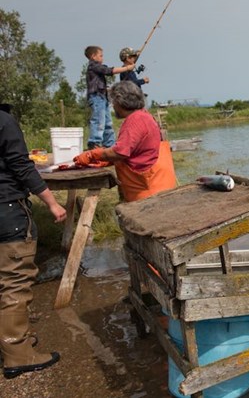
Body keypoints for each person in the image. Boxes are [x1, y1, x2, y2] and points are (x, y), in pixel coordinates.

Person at [0, 103, 66, 379]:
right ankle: (18, 354)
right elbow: (21, 166)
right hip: (7, 210)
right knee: (14, 281)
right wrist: (52, 203)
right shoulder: (3, 120)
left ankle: (11, 338)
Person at [72, 81, 176, 202]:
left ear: (120, 101)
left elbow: (120, 152)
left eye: (113, 102)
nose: (113, 106)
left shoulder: (135, 120)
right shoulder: (145, 115)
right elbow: (137, 152)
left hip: (148, 193)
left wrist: (92, 154)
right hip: (161, 187)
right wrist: (105, 160)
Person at [84, 45, 136, 150]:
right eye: (100, 56)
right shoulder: (94, 66)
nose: (102, 58)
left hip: (103, 97)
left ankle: (110, 144)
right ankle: (94, 143)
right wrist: (127, 68)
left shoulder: (96, 68)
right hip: (97, 97)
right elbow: (109, 71)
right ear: (93, 56)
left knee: (107, 122)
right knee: (99, 120)